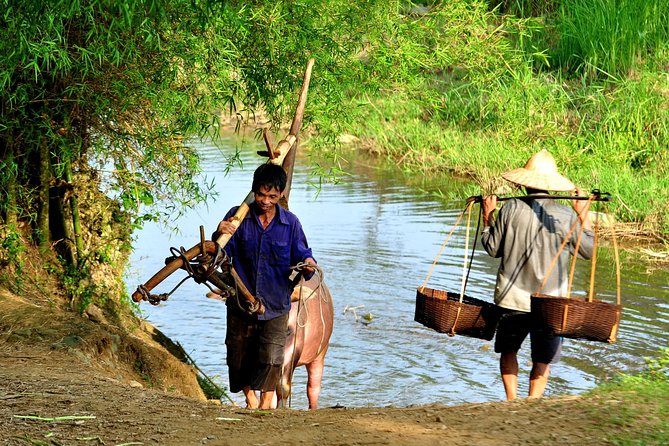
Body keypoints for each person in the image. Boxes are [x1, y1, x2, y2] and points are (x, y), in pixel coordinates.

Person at [480, 149, 594, 401]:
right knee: (543, 358)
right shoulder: (565, 216)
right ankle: (533, 403)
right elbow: (588, 250)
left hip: (512, 299)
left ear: (524, 183)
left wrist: (487, 216)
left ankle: (511, 402)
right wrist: (583, 214)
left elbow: (492, 248)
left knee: (508, 350)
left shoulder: (510, 209)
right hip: (551, 304)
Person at [213, 163, 316, 409]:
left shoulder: (290, 224)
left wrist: (309, 263)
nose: (266, 201)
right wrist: (219, 233)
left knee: (271, 357)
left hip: (275, 304)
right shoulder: (237, 217)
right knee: (238, 356)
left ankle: (265, 404)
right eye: (261, 194)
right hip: (241, 302)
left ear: (281, 195)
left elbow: (303, 254)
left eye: (272, 196)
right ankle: (250, 399)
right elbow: (219, 255)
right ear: (253, 191)